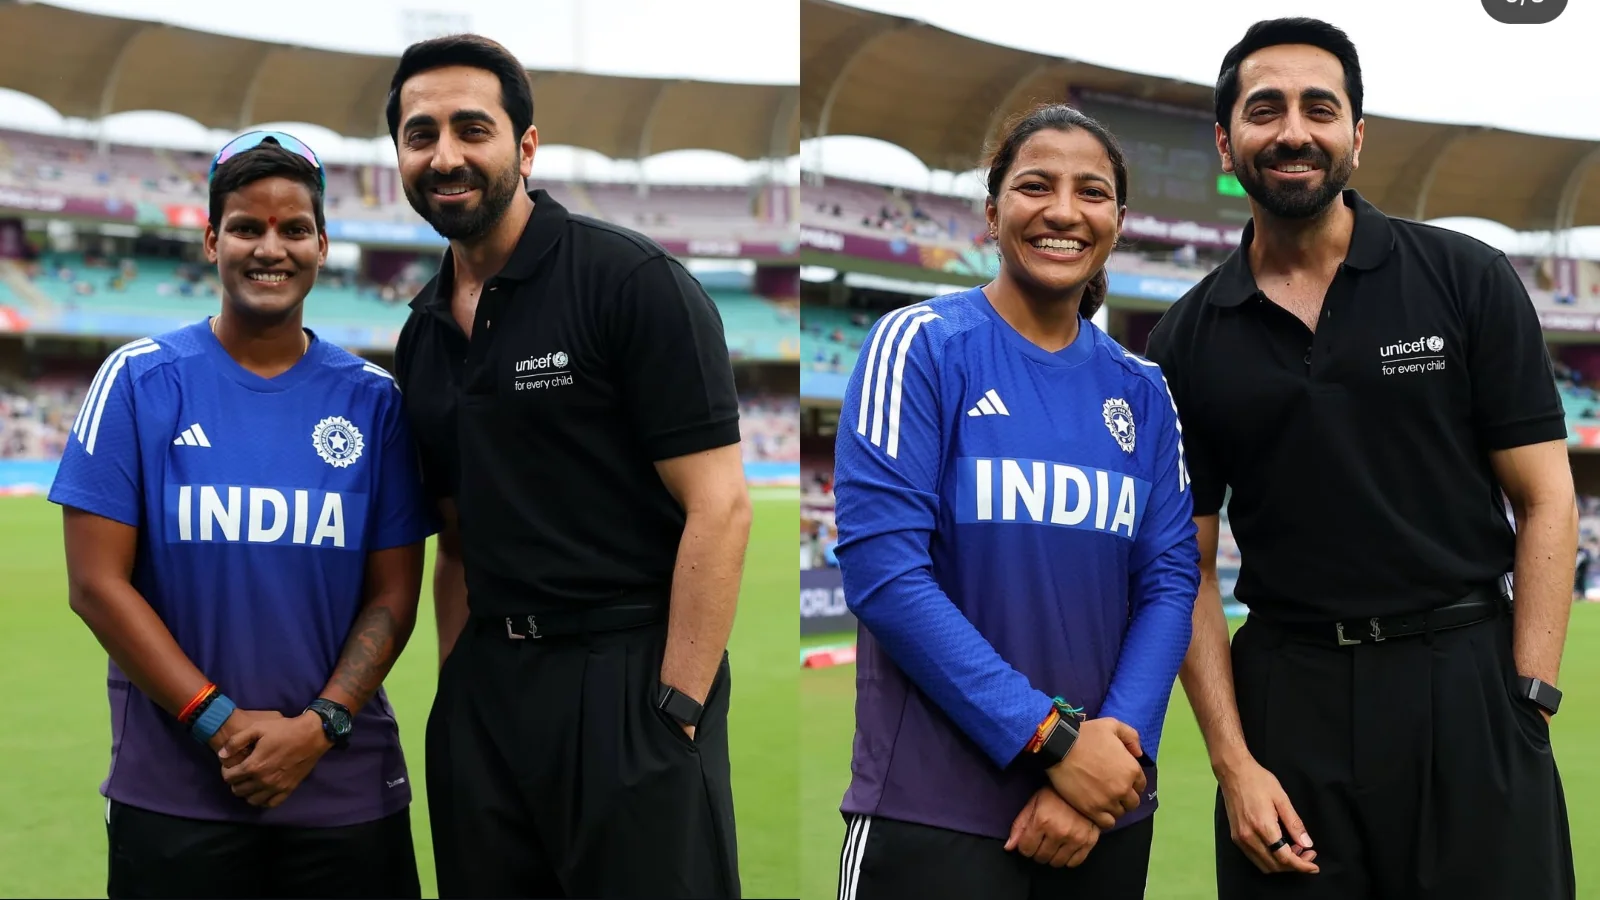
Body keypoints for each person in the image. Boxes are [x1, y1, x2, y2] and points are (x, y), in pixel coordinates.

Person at [1145, 18, 1578, 900]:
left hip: (1464, 680)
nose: (1293, 130)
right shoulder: (1185, 338)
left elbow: (1546, 498)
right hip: (1287, 701)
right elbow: (1184, 565)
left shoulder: (1465, 276)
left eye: (1320, 108)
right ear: (1226, 142)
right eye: (1264, 110)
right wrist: (1233, 763)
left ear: (1356, 135)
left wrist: (1529, 697)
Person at [385, 34, 753, 899]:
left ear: (525, 147)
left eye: (472, 128)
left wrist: (677, 708)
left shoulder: (630, 281)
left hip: (628, 680)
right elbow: (457, 539)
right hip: (488, 694)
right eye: (420, 134)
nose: (445, 155)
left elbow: (721, 507)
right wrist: (458, 695)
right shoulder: (422, 332)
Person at [48, 131, 436, 899]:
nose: (270, 248)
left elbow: (394, 595)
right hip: (177, 795)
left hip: (344, 792)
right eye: (247, 227)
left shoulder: (375, 402)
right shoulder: (137, 382)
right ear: (211, 240)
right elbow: (96, 586)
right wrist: (221, 724)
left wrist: (319, 727)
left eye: (294, 228)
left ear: (322, 246)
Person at [830, 102, 1200, 900]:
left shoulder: (1143, 391)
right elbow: (884, 576)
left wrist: (1113, 762)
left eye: (1091, 192)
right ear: (993, 214)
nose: (1064, 211)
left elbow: (1170, 584)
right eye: (1036, 186)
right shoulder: (920, 346)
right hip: (935, 815)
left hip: (1102, 821)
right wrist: (1054, 743)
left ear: (1118, 222)